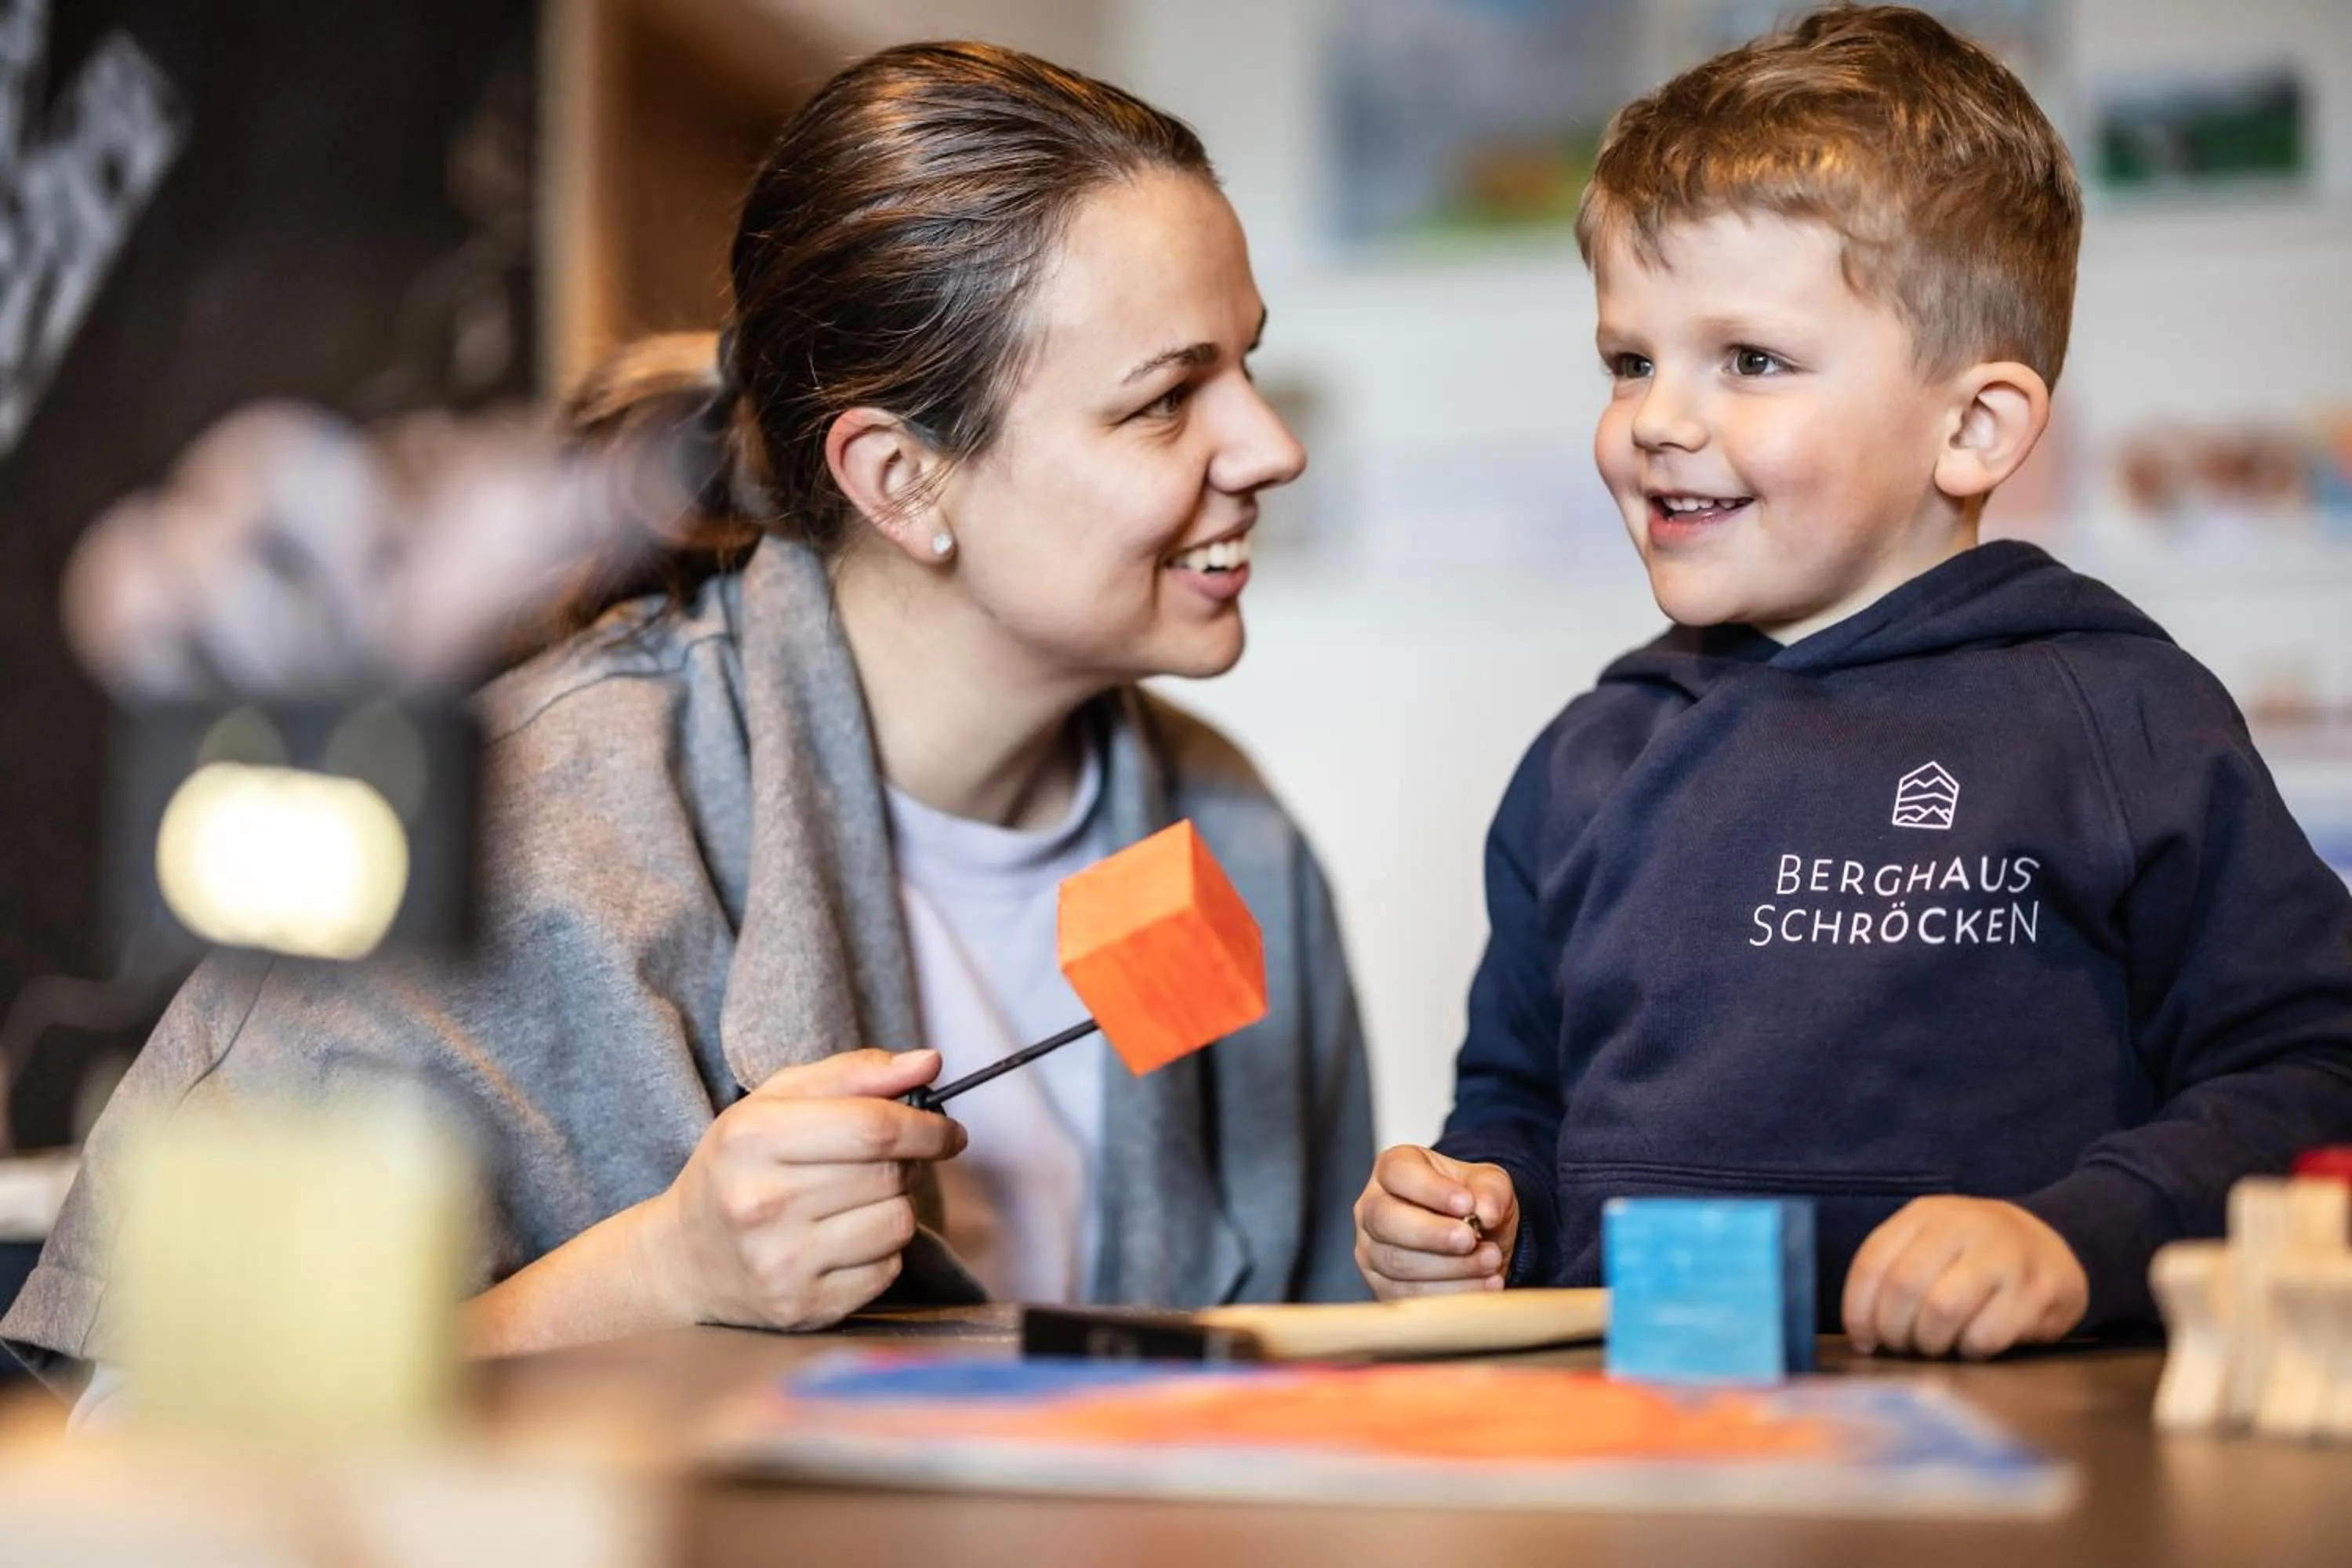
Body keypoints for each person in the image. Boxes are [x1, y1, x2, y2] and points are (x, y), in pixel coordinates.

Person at [5, 41, 1374, 1395]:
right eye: (1168, 400)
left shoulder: (1238, 841)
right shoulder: (518, 830)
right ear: (899, 480)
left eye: (1246, 367)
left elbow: (1325, 1404)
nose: (1271, 446)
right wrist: (660, 1275)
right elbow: (148, 1430)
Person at [1352, 4, 2352, 1359]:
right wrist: (1469, 1217)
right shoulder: (1585, 761)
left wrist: (2074, 1236)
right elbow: (1519, 1114)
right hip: (1626, 1438)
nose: (1658, 418)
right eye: (1630, 361)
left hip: (2022, 1445)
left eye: (1749, 362)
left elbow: (2312, 1075)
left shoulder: (2123, 718)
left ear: (1973, 426)